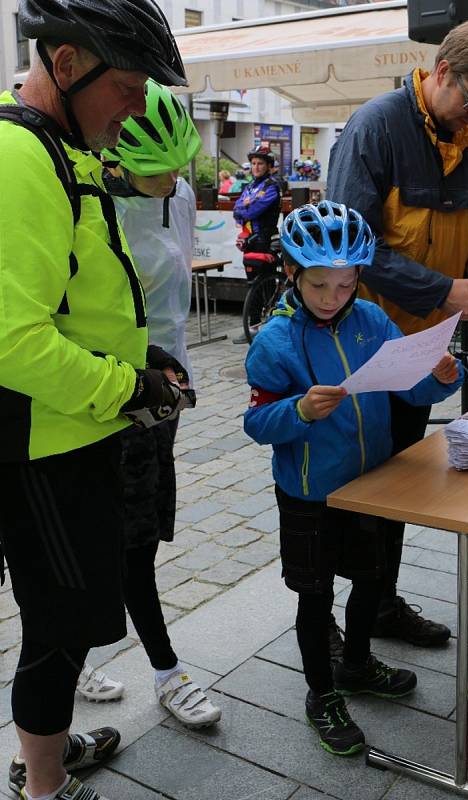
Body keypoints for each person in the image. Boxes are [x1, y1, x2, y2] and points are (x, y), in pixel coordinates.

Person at [0, 2, 189, 800]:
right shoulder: (17, 156)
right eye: (130, 87)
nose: (139, 110)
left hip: (76, 431)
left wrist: (137, 359)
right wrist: (126, 387)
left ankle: (50, 747)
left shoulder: (59, 147)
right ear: (68, 65)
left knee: (71, 618)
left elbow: (79, 293)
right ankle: (43, 785)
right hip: (43, 445)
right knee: (57, 626)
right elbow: (12, 341)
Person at [327, 16, 468, 648]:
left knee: (402, 481)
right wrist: (443, 289)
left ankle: (381, 603)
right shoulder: (376, 127)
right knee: (353, 487)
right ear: (441, 72)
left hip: (424, 348)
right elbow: (348, 248)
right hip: (361, 344)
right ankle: (331, 620)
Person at [244, 201, 463, 755]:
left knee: (372, 579)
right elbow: (256, 422)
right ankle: (322, 693)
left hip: (371, 486)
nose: (332, 298)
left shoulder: (372, 320)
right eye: (319, 285)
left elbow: (409, 389)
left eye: (345, 285)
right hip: (310, 494)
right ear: (292, 273)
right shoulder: (275, 340)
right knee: (315, 597)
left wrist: (438, 377)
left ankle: (358, 664)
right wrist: (298, 411)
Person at [98, 78, 221, 728]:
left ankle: (84, 650)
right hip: (115, 398)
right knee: (130, 546)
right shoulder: (94, 209)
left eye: (181, 164)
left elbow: (171, 303)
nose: (174, 178)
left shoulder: (175, 192)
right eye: (159, 168)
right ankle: (167, 673)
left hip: (167, 398)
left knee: (138, 540)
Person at [232, 145, 282, 343]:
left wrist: (245, 208)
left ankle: (269, 327)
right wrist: (244, 207)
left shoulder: (272, 186)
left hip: (266, 240)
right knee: (252, 284)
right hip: (251, 242)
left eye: (260, 163)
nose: (256, 167)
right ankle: (252, 327)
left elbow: (253, 211)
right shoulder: (250, 186)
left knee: (266, 285)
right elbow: (237, 208)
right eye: (253, 163)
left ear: (269, 166)